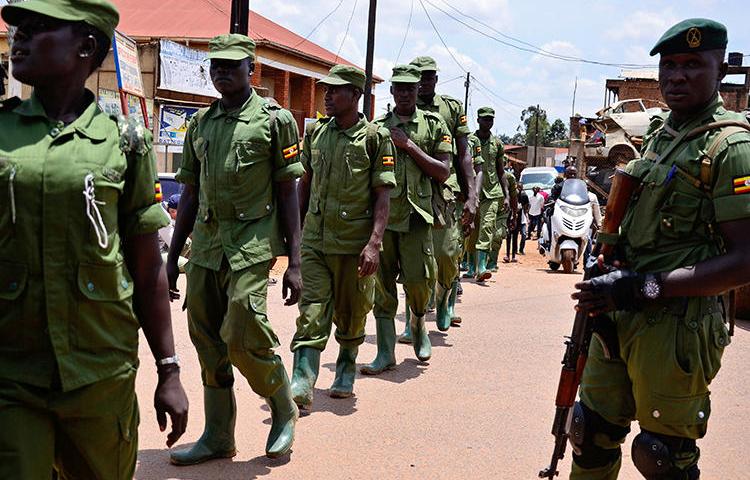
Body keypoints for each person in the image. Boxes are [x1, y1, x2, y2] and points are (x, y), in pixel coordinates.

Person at [0, 1, 188, 478]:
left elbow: (147, 268)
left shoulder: (124, 141)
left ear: (86, 46)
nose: (18, 36)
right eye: (18, 26)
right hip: (12, 372)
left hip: (99, 372)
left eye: (37, 27)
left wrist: (169, 370)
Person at [570, 18, 750, 479]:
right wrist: (607, 264)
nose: (677, 76)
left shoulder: (732, 147)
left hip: (677, 326)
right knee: (589, 432)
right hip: (618, 311)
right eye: (668, 65)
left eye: (692, 64)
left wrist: (642, 287)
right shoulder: (658, 137)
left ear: (719, 71)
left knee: (662, 455)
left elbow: (744, 260)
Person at [167, 34, 303, 462]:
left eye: (231, 65)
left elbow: (288, 192)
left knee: (242, 331)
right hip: (206, 246)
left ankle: (283, 406)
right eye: (216, 66)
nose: (222, 72)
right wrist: (171, 259)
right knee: (206, 337)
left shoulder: (275, 120)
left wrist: (295, 262)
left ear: (251, 69)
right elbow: (188, 193)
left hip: (252, 243)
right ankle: (219, 435)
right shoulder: (201, 124)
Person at [288, 65, 396, 409]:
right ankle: (302, 381)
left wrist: (374, 244)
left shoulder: (376, 138)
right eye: (326, 90)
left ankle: (346, 368)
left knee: (352, 313)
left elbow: (382, 195)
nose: (328, 96)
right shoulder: (317, 135)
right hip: (316, 242)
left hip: (354, 245)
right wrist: (295, 241)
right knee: (312, 311)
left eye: (336, 90)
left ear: (356, 95)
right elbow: (302, 188)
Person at [360, 64, 451, 374]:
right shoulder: (377, 127)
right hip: (384, 220)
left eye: (409, 88)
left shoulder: (434, 125)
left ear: (417, 90)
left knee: (419, 281)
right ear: (392, 91)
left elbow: (443, 171)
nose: (404, 93)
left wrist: (409, 146)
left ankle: (417, 323)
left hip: (416, 216)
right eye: (398, 88)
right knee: (382, 287)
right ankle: (385, 352)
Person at [410, 56, 479, 332]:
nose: (424, 81)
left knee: (448, 254)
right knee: (414, 256)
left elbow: (464, 155)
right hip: (413, 190)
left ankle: (445, 296)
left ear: (436, 79)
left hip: (446, 191)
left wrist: (471, 196)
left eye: (429, 76)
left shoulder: (450, 108)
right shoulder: (405, 106)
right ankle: (414, 320)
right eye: (420, 77)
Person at [464, 107, 508, 282]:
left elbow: (501, 171)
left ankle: (482, 267)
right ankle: (472, 266)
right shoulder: (469, 141)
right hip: (472, 192)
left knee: (487, 227)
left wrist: (506, 195)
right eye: (485, 119)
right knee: (471, 231)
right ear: (478, 120)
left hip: (492, 192)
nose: (488, 122)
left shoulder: (497, 144)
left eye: (490, 119)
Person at [159, 193, 191, 271]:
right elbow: (174, 244)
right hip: (155, 256)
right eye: (172, 211)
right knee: (189, 265)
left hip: (158, 251)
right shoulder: (163, 217)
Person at [496, 166, 518, 265]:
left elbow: (514, 199)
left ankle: (492, 261)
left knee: (500, 234)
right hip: (487, 207)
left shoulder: (509, 178)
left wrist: (514, 214)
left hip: (504, 211)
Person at [505, 181, 529, 262]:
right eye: (517, 188)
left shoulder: (523, 196)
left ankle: (513, 256)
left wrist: (526, 216)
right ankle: (507, 255)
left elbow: (526, 207)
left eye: (520, 188)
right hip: (509, 219)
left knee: (515, 237)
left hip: (517, 220)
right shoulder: (509, 197)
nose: (518, 190)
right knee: (508, 237)